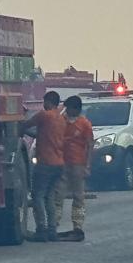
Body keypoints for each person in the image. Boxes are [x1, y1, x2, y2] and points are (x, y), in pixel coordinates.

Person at [23, 90, 66, 242]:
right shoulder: (61, 119)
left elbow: (26, 124)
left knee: (38, 196)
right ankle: (52, 230)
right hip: (59, 164)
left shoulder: (44, 115)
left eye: (44, 102)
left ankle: (41, 229)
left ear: (48, 102)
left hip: (45, 163)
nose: (43, 104)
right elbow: (46, 135)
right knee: (49, 197)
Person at [59, 94, 93, 242]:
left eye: (69, 108)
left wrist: (88, 165)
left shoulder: (84, 124)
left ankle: (77, 227)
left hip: (78, 164)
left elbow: (90, 145)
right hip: (61, 163)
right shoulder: (61, 121)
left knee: (78, 197)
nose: (66, 111)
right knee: (57, 195)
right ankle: (53, 225)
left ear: (76, 109)